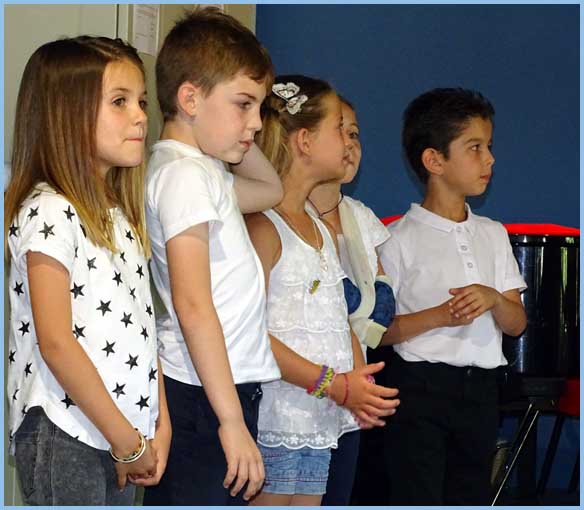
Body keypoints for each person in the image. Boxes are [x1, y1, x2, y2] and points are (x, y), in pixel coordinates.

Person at [4, 36, 170, 506]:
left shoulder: (119, 216)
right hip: (67, 429)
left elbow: (140, 325)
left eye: (141, 102)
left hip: (121, 433)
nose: (140, 116)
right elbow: (56, 341)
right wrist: (127, 440)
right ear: (66, 115)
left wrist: (158, 421)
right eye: (119, 102)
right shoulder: (49, 210)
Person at [142, 7, 283, 506]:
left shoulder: (203, 171)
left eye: (260, 107)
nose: (257, 124)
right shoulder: (184, 177)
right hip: (205, 396)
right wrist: (230, 420)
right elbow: (192, 303)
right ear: (190, 99)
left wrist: (237, 134)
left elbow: (270, 189)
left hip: (219, 386)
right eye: (243, 104)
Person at [246, 75, 400, 506]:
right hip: (277, 415)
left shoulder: (320, 229)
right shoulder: (263, 228)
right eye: (338, 128)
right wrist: (333, 383)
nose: (347, 142)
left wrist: (359, 384)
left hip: (319, 418)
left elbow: (338, 317)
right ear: (305, 142)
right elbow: (249, 333)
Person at [378, 87, 528, 506]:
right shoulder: (395, 238)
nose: (489, 159)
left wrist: (495, 299)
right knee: (418, 494)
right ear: (434, 160)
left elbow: (517, 323)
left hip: (480, 391)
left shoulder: (493, 234)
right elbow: (380, 332)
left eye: (489, 147)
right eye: (475, 148)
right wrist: (441, 315)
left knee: (471, 494)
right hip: (419, 390)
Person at [307, 97, 395, 505]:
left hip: (353, 392)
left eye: (355, 134)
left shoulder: (361, 217)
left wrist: (360, 374)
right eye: (339, 130)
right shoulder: (280, 217)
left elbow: (381, 306)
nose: (349, 144)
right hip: (302, 391)